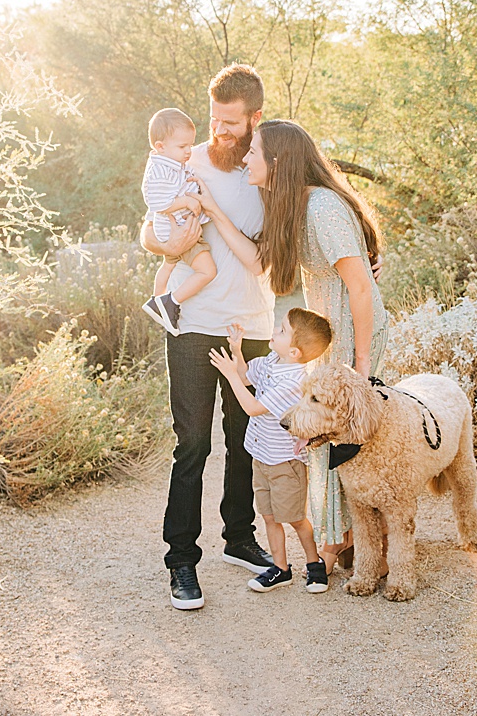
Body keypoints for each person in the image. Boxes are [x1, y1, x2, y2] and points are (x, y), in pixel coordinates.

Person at [194, 118, 389, 580]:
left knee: (348, 435)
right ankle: (344, 541)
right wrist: (214, 211)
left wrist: (360, 364)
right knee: (328, 436)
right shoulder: (296, 206)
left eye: (254, 153)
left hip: (353, 332)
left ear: (278, 161)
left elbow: (360, 288)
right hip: (329, 332)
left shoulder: (320, 207)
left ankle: (358, 541)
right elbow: (261, 262)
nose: (245, 159)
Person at [139, 64, 276, 611]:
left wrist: (369, 255)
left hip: (252, 326)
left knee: (247, 440)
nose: (218, 132)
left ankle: (240, 539)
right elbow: (149, 230)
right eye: (213, 120)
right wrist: (167, 242)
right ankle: (181, 562)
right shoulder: (184, 160)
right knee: (192, 444)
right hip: (193, 322)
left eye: (230, 123)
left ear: (254, 119)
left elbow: (311, 220)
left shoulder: (271, 170)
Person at [208, 308, 333, 594]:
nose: (273, 332)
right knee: (269, 516)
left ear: (295, 352)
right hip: (261, 456)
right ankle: (281, 568)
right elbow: (246, 376)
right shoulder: (271, 361)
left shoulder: (293, 381)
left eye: (281, 331)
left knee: (295, 518)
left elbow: (252, 407)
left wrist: (229, 376)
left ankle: (314, 565)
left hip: (285, 463)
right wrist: (236, 352)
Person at [139, 108, 217, 335]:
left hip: (172, 231)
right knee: (207, 272)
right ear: (160, 146)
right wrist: (186, 202)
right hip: (182, 231)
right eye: (182, 147)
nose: (188, 152)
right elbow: (158, 203)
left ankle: (156, 300)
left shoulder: (168, 164)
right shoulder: (161, 170)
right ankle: (169, 302)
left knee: (169, 264)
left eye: (190, 146)